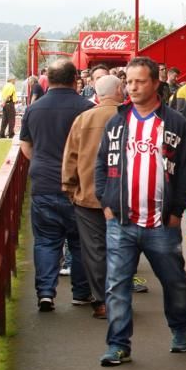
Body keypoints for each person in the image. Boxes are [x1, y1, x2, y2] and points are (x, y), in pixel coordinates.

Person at [94, 56, 186, 366]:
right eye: (129, 81)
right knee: (116, 284)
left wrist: (177, 210)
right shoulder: (116, 122)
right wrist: (106, 201)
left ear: (155, 83)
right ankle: (118, 345)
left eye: (140, 81)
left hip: (160, 224)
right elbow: (101, 164)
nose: (133, 87)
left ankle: (179, 330)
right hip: (121, 221)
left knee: (174, 281)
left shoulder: (176, 123)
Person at [19, 59, 93, 312]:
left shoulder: (34, 109)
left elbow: (26, 145)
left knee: (46, 241)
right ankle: (81, 292)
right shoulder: (86, 108)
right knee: (79, 242)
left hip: (43, 182)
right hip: (77, 186)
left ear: (47, 80)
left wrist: (42, 162)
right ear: (76, 80)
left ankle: (46, 293)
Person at [61, 75, 125, 320]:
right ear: (120, 90)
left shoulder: (83, 119)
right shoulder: (131, 117)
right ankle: (118, 297)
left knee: (94, 250)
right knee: (121, 248)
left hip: (87, 197)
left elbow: (71, 157)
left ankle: (101, 301)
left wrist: (70, 187)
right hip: (124, 196)